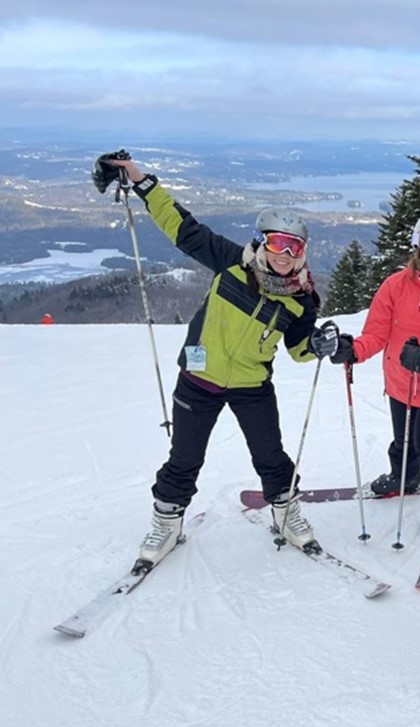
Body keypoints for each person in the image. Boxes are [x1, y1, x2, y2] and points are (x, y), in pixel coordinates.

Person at [103, 153, 340, 566]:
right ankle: (168, 521)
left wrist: (319, 345)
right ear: (261, 241)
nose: (283, 253)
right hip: (199, 378)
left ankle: (286, 514)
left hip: (252, 387)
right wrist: (141, 181)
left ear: (302, 251)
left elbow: (299, 351)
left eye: (293, 245)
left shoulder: (302, 301)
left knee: (271, 456)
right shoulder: (231, 263)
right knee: (185, 458)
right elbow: (180, 225)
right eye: (276, 241)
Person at [328, 211, 420, 526]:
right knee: (402, 439)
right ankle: (405, 477)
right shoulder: (396, 285)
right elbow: (376, 333)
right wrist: (353, 350)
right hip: (399, 382)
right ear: (417, 245)